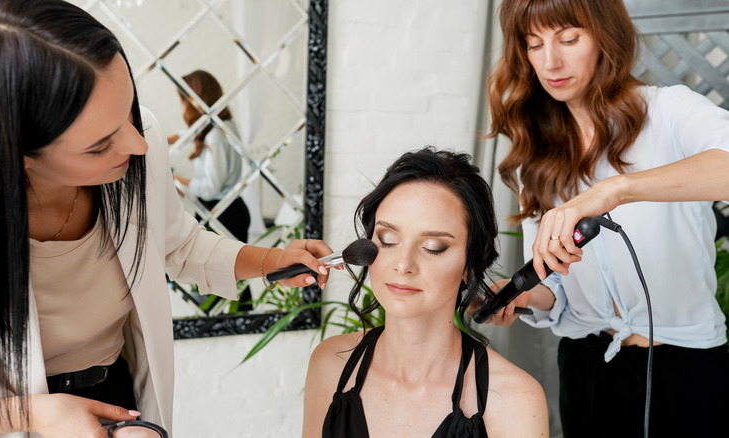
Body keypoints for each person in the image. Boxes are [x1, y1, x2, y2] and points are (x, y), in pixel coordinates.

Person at [0, 1, 332, 436]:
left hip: (118, 401)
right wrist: (32, 416)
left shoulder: (139, 145)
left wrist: (270, 263)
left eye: (130, 112)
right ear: (13, 155)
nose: (139, 145)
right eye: (99, 145)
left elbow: (178, 244)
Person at [485, 0, 729, 436]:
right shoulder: (536, 157)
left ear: (605, 37)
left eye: (569, 39)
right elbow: (557, 285)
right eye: (534, 44)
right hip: (586, 371)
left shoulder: (669, 113)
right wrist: (524, 295)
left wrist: (614, 189)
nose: (550, 61)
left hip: (684, 366)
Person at [303, 148, 548, 437]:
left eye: (433, 248)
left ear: (471, 264)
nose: (403, 265)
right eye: (387, 240)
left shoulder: (514, 399)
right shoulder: (331, 364)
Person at [170, 70, 251, 243]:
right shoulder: (223, 126)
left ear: (197, 102)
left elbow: (210, 189)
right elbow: (190, 133)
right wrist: (162, 140)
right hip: (227, 210)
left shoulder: (215, 138)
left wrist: (174, 179)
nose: (182, 106)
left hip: (223, 216)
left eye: (183, 101)